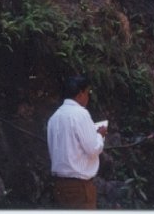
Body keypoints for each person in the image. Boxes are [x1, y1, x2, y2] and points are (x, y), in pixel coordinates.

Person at [47, 75, 107, 209]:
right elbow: (93, 149)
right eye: (88, 93)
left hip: (59, 185)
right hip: (79, 187)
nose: (88, 97)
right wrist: (100, 135)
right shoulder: (80, 114)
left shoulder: (54, 118)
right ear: (81, 94)